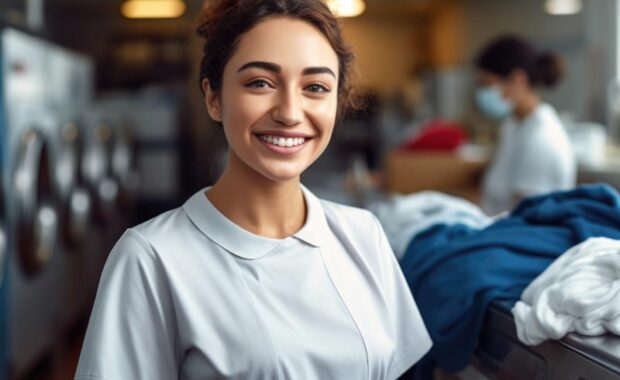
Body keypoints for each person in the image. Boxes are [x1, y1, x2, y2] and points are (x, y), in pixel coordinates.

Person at [74, 1, 432, 379]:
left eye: (315, 87)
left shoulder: (363, 235)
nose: (290, 112)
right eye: (260, 82)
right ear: (214, 97)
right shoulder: (151, 258)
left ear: (337, 103)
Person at [475, 35, 576, 215]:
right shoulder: (513, 125)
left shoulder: (541, 138)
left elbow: (524, 218)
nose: (482, 94)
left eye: (487, 84)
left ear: (517, 79)